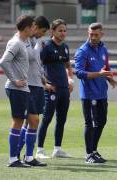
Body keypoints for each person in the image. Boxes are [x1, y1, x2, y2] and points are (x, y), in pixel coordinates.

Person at [74, 23, 117, 164]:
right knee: (91, 124)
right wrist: (98, 74)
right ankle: (88, 154)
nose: (93, 37)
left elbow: (105, 67)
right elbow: (79, 73)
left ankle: (94, 150)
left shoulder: (103, 49)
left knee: (102, 121)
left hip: (101, 93)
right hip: (89, 94)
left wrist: (109, 78)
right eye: (90, 34)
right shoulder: (82, 51)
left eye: (96, 35)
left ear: (102, 34)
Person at [35, 19, 74, 159]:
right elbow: (36, 66)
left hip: (64, 89)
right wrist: (45, 85)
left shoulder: (65, 47)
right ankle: (39, 150)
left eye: (64, 30)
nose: (63, 33)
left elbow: (68, 66)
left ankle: (57, 149)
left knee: (61, 119)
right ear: (52, 31)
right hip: (51, 89)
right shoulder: (46, 46)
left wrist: (70, 79)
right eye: (60, 30)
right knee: (46, 119)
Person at [0, 15, 34, 168]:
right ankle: (13, 159)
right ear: (26, 28)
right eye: (32, 26)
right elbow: (3, 61)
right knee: (18, 121)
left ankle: (17, 158)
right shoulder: (16, 43)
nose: (34, 29)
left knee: (24, 120)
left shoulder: (22, 42)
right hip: (16, 88)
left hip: (22, 88)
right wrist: (15, 80)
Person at [16, 16, 50, 167]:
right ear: (34, 27)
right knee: (31, 120)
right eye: (42, 31)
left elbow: (36, 63)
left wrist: (43, 79)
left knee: (31, 122)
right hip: (28, 86)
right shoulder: (23, 41)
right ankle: (22, 154)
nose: (43, 34)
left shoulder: (35, 41)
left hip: (36, 85)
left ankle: (24, 155)